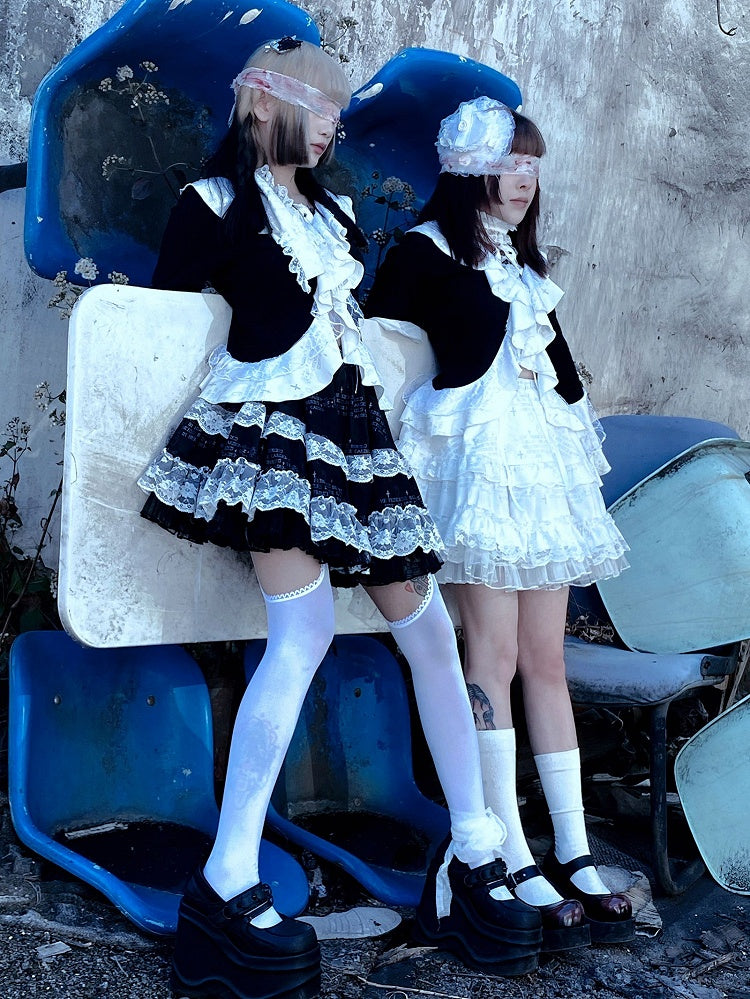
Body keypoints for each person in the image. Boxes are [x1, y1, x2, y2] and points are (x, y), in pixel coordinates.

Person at [137, 44, 543, 998]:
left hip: (357, 441)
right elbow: (152, 332)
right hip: (273, 439)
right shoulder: (212, 204)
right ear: (261, 104)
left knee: (431, 634)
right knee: (305, 632)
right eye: (317, 106)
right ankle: (227, 873)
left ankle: (474, 849)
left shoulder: (337, 216)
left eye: (336, 110)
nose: (332, 125)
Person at [363, 96, 635, 949]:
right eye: (511, 161)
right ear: (470, 164)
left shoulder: (523, 262)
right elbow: (375, 355)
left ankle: (575, 849)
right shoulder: (422, 251)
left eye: (533, 165)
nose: (526, 180)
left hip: (540, 480)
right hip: (477, 476)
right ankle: (506, 847)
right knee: (494, 658)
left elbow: (564, 376)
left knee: (548, 659)